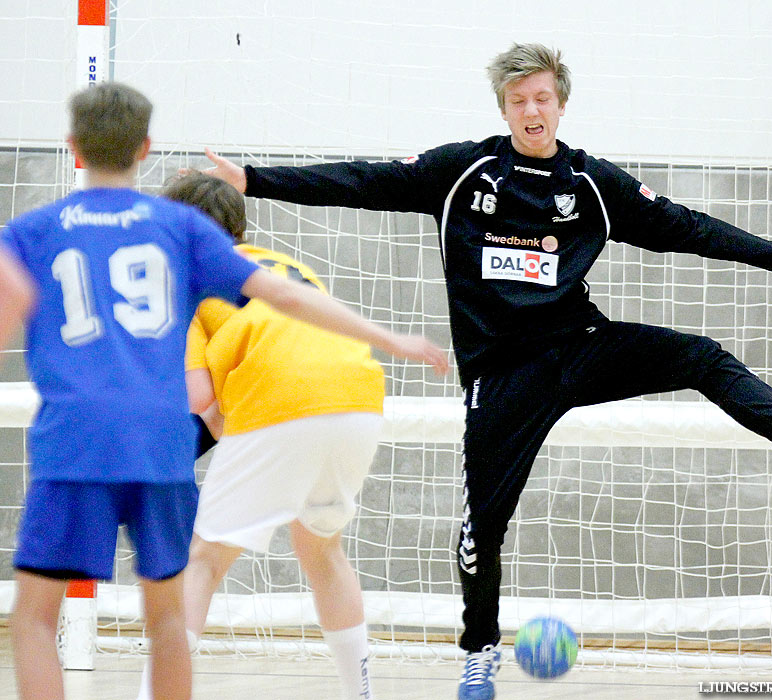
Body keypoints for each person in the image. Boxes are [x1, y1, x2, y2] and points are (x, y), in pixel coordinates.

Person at [194, 43, 772, 700]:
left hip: (580, 346)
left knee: (700, 355)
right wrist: (254, 180)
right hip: (502, 374)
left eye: (544, 98)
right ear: (503, 108)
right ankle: (478, 651)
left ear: (560, 106)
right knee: (478, 534)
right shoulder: (463, 172)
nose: (533, 110)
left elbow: (685, 227)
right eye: (520, 99)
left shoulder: (589, 182)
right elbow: (364, 183)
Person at [0, 83, 447, 700]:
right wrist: (394, 340)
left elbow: (194, 393)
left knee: (65, 607)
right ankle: (360, 690)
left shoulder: (57, 236)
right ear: (145, 146)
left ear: (72, 147)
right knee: (259, 580)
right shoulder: (228, 249)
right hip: (305, 410)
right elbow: (289, 302)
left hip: (104, 435)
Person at [133, 172, 387, 700]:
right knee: (322, 551)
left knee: (202, 559)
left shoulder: (186, 282)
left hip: (286, 403)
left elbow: (200, 398)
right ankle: (361, 694)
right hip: (360, 399)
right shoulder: (285, 266)